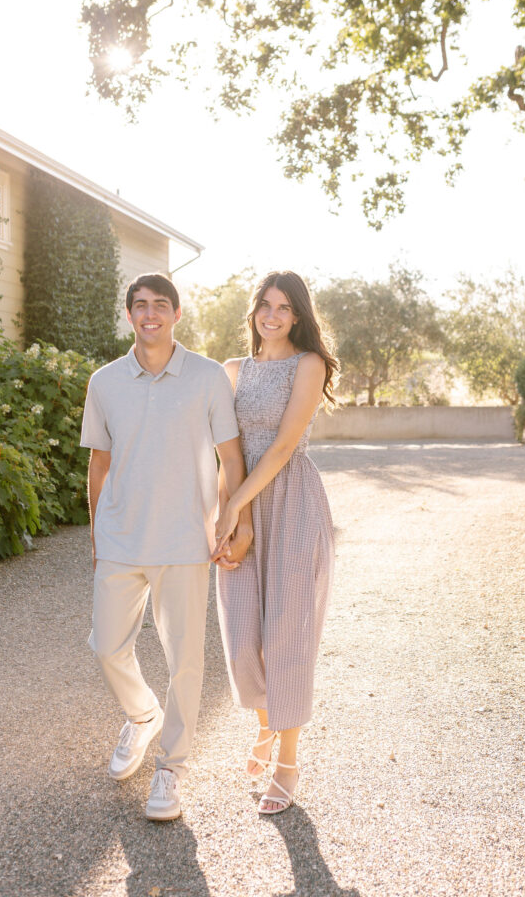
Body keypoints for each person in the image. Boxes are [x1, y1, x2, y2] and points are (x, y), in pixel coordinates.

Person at [80, 272, 252, 821]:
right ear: (128, 315)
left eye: (160, 305)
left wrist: (234, 520)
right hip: (122, 537)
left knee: (185, 661)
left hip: (184, 538)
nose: (149, 314)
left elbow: (232, 457)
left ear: (177, 314)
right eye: (139, 305)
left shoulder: (206, 378)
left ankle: (170, 769)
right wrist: (96, 531)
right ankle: (141, 715)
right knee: (107, 646)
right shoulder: (104, 381)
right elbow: (98, 462)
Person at [213, 270, 338, 815]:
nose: (272, 315)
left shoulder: (308, 365)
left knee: (287, 635)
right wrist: (229, 517)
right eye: (265, 305)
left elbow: (285, 445)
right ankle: (264, 725)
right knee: (242, 637)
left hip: (291, 502)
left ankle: (287, 763)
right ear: (254, 312)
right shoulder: (232, 370)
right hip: (241, 502)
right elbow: (227, 452)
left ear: (298, 316)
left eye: (284, 308)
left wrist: (239, 503)